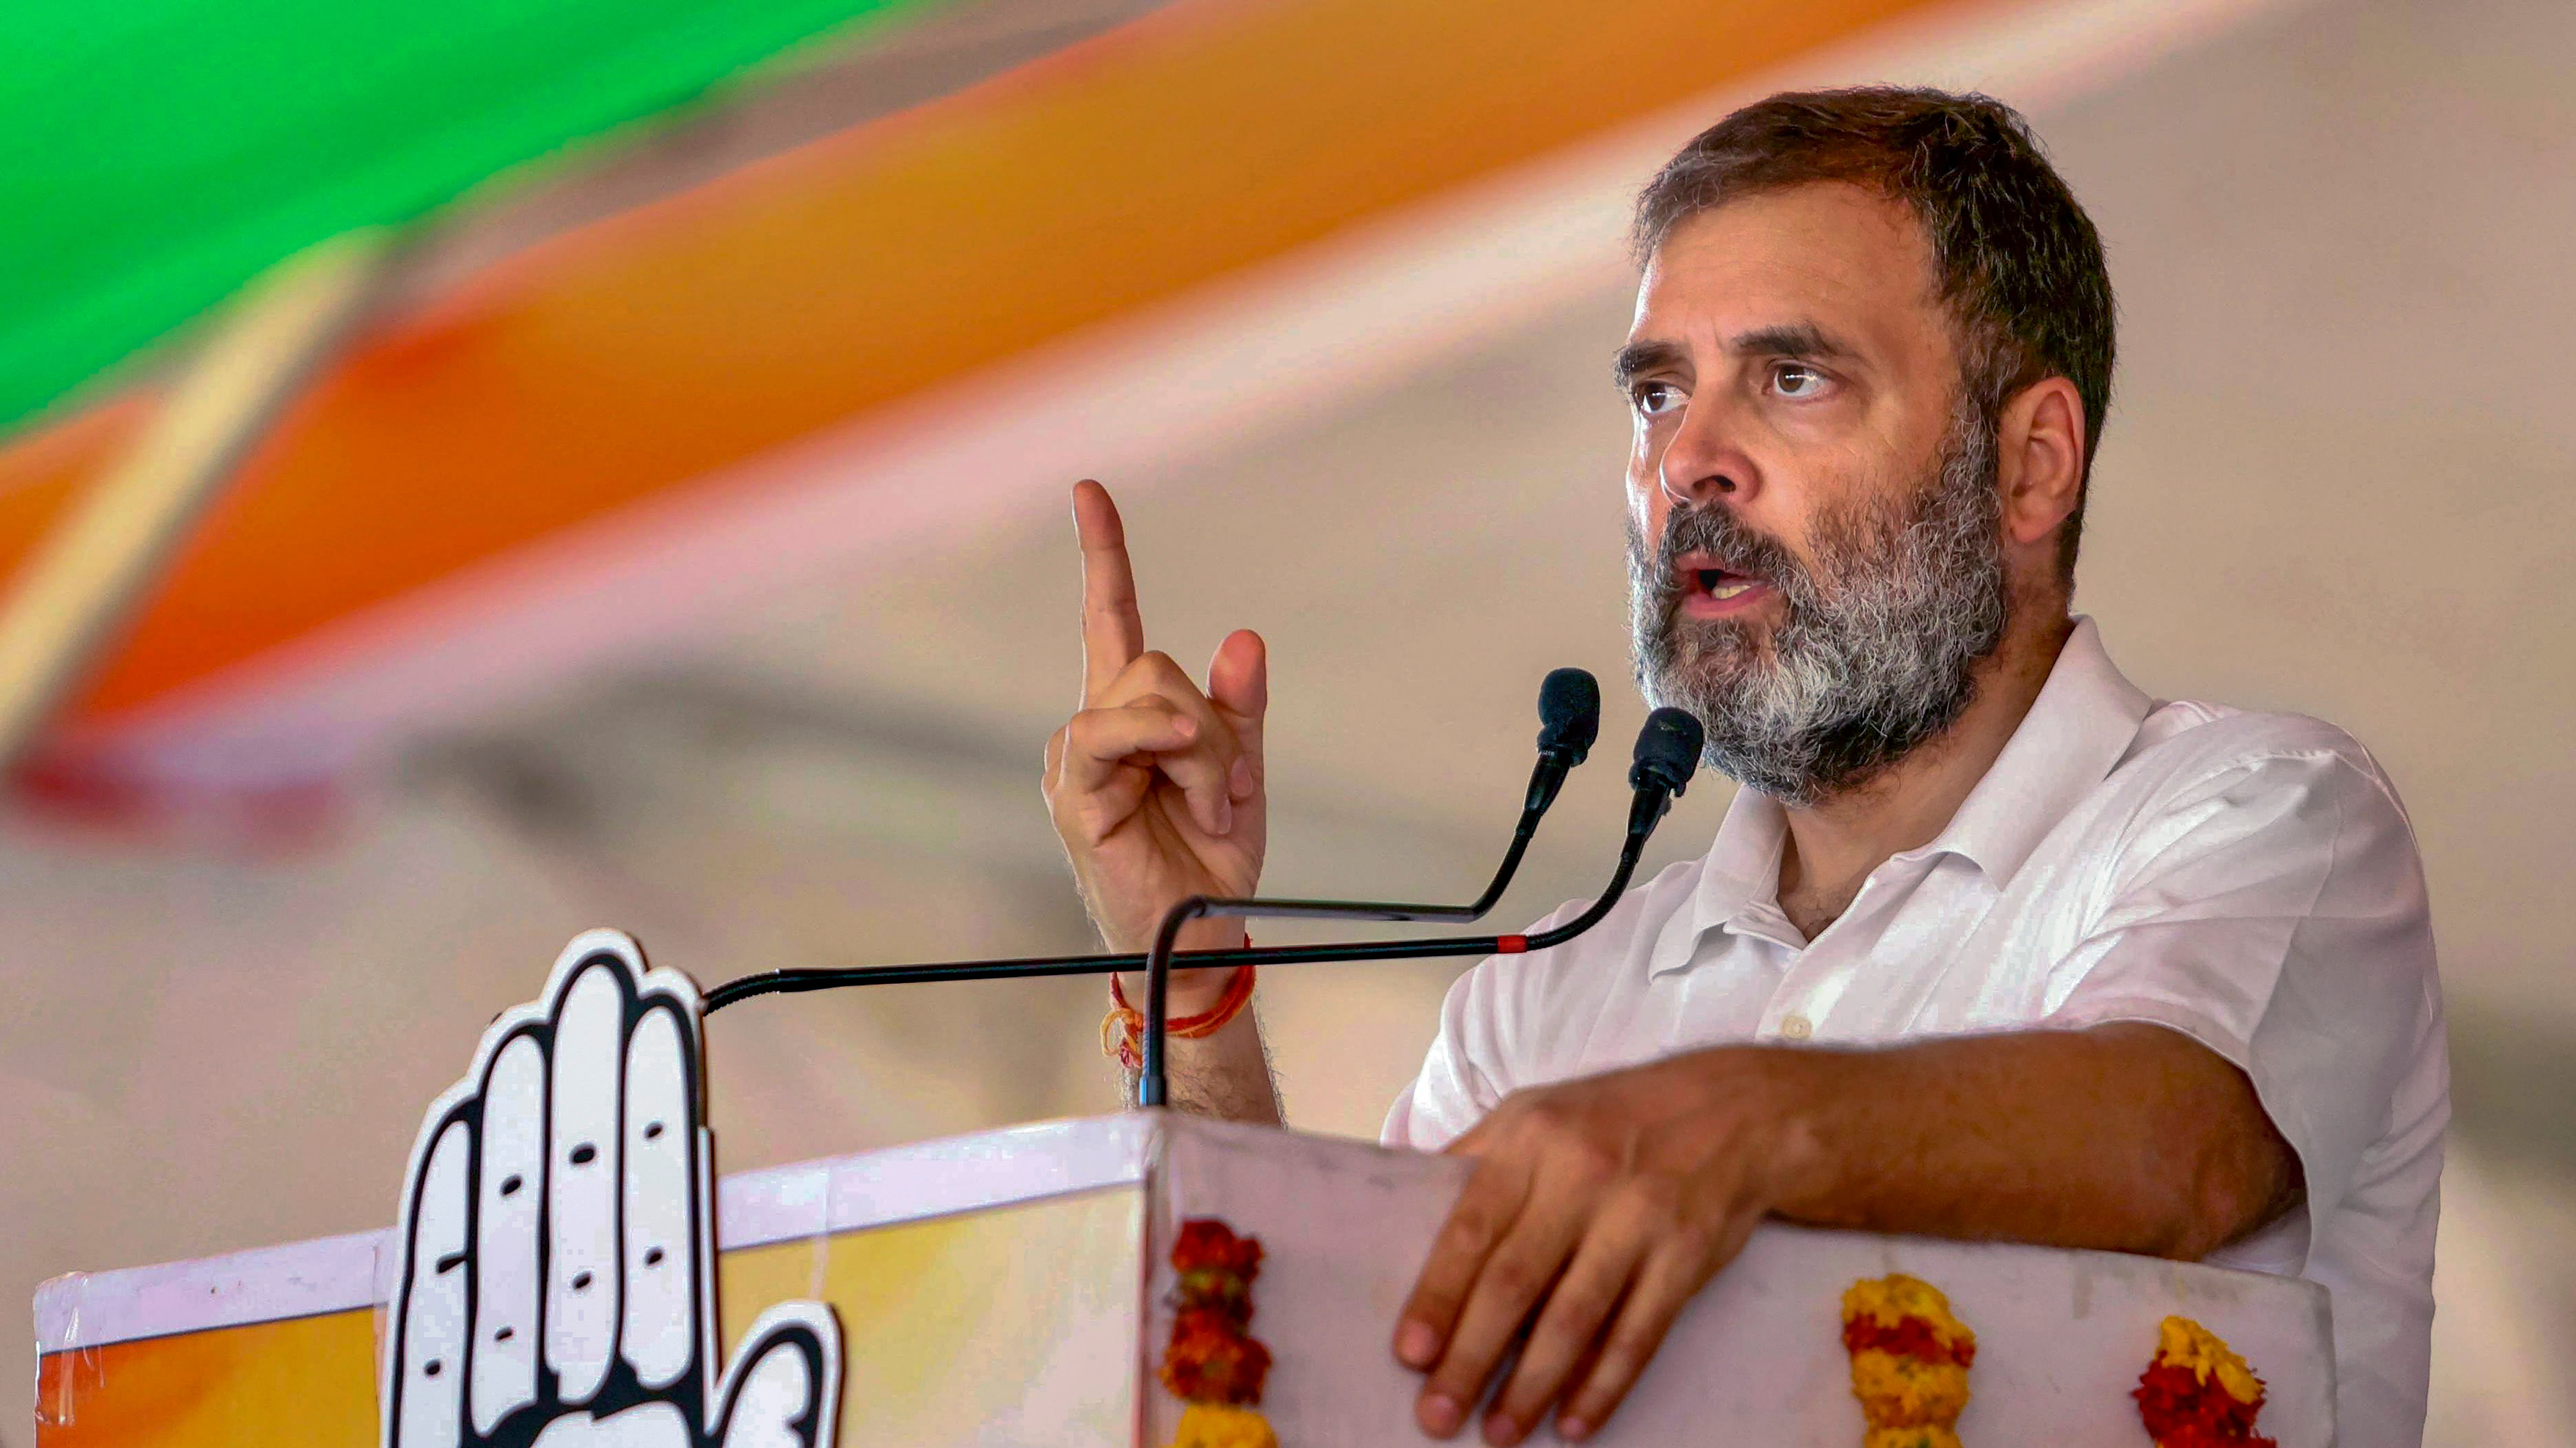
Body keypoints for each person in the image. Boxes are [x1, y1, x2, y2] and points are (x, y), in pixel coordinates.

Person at [1041, 88, 2443, 1448]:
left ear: (2031, 464)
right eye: (1658, 393)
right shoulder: (1550, 995)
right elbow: (1333, 1377)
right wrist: (1197, 978)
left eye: (1792, 377)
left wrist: (1740, 1128)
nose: (1691, 461)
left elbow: (2166, 1146)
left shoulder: (2260, 817)